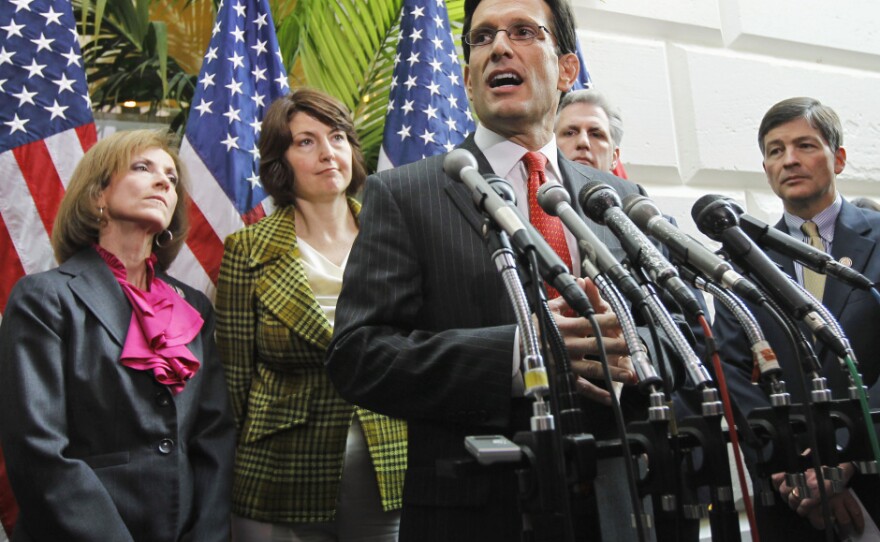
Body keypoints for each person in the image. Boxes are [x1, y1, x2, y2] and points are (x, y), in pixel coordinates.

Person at [325, 0, 692, 540]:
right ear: (469, 79)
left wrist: (633, 353)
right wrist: (520, 355)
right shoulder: (405, 194)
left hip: (618, 502)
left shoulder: (616, 198)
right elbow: (358, 356)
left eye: (523, 31)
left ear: (567, 69)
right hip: (477, 509)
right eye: (482, 38)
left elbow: (679, 334)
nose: (499, 46)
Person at [0, 130, 235, 541]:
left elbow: (213, 439)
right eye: (143, 168)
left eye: (171, 178)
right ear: (98, 197)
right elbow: (37, 449)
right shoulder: (44, 298)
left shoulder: (194, 307)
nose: (164, 181)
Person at [215, 88, 407, 542]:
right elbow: (234, 379)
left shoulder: (396, 237)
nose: (327, 153)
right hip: (278, 470)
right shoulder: (246, 250)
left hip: (388, 462)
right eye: (305, 142)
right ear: (280, 162)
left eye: (337, 137)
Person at [713, 97, 880, 539]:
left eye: (804, 145)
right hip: (788, 495)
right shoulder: (740, 258)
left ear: (838, 158)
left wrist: (846, 456)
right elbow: (732, 368)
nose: (789, 160)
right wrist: (793, 465)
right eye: (774, 150)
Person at [555, 88, 622, 173]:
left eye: (596, 135)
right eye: (570, 133)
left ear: (614, 157)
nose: (583, 142)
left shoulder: (633, 187)